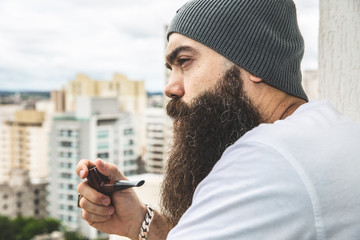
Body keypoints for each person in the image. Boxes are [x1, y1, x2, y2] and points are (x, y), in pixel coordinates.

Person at [76, 0, 360, 239]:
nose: (170, 87)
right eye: (170, 68)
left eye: (184, 61)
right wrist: (140, 222)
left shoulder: (266, 159)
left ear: (253, 59)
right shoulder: (330, 133)